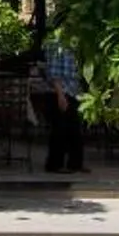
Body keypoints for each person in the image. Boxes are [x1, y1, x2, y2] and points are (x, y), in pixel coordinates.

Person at [41, 38, 87, 176]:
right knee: (60, 130)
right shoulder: (55, 44)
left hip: (75, 91)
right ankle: (54, 164)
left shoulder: (76, 43)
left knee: (75, 129)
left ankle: (75, 163)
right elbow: (53, 74)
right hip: (60, 91)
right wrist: (60, 95)